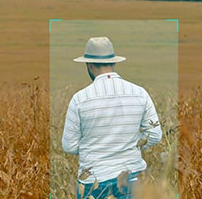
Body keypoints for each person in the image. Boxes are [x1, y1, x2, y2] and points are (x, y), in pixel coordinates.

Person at [62, 37, 162, 199]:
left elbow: (69, 146)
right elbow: (155, 135)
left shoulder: (80, 99)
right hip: (132, 177)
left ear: (89, 65)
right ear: (114, 63)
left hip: (93, 182)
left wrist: (97, 148)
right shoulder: (140, 93)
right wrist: (131, 145)